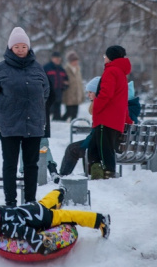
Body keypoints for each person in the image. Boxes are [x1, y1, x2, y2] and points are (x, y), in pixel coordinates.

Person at [0, 27, 49, 206]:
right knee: (10, 165)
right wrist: (5, 110)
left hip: (34, 124)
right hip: (9, 124)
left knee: (31, 165)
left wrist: (33, 108)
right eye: (17, 47)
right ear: (10, 48)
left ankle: (30, 201)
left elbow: (45, 92)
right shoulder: (0, 69)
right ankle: (10, 202)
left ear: (28, 47)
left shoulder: (37, 68)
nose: (21, 49)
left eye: (24, 46)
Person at [0, 187, 110, 254]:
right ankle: (59, 192)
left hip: (41, 218)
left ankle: (100, 220)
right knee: (45, 202)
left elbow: (27, 232)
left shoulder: (9, 227)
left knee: (69, 216)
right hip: (32, 208)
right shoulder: (0, 211)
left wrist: (43, 247)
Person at [88, 45, 133, 180]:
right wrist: (126, 118)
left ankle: (109, 173)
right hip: (114, 119)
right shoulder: (121, 73)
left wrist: (96, 107)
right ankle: (97, 173)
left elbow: (105, 94)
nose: (104, 58)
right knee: (93, 148)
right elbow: (123, 99)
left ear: (110, 57)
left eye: (105, 56)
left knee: (103, 149)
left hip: (106, 118)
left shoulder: (111, 71)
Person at [57, 76, 100, 179]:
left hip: (97, 144)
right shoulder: (97, 105)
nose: (88, 95)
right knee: (73, 147)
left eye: (91, 92)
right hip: (99, 142)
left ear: (98, 92)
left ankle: (63, 176)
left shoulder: (99, 107)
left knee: (72, 149)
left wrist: (85, 145)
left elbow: (96, 132)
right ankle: (64, 175)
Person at [43, 51, 68, 121]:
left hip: (59, 92)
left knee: (57, 109)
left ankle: (57, 121)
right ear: (52, 58)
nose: (57, 60)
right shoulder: (46, 67)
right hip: (49, 93)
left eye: (58, 58)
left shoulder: (61, 69)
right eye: (55, 58)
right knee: (48, 110)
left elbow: (66, 80)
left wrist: (65, 85)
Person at [61, 52, 84, 121]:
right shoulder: (66, 69)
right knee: (69, 112)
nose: (76, 62)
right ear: (70, 61)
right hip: (69, 94)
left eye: (77, 60)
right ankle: (60, 124)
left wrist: (82, 94)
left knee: (75, 114)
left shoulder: (78, 69)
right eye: (74, 60)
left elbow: (79, 83)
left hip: (77, 95)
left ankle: (73, 127)